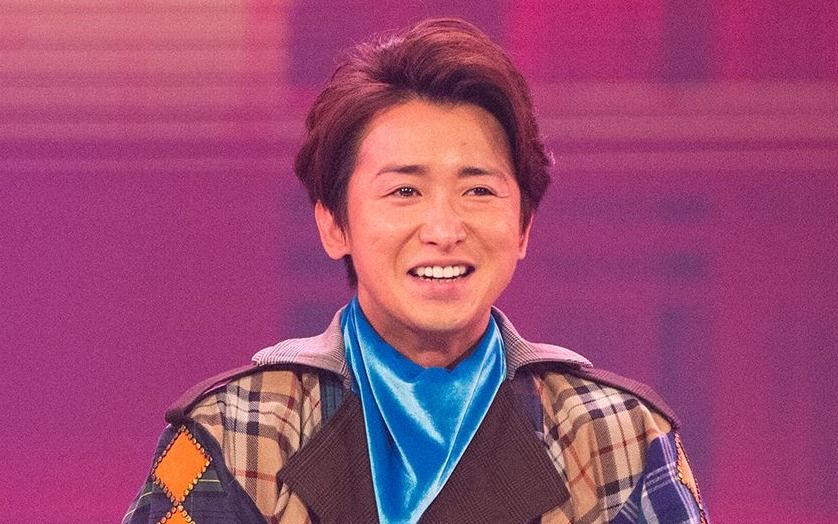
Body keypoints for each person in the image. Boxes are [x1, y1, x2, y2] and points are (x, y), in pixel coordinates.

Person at [123, 18, 708, 524]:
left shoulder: (620, 438)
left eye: (479, 190)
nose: (444, 229)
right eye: (405, 191)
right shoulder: (233, 432)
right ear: (333, 224)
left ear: (523, 227)